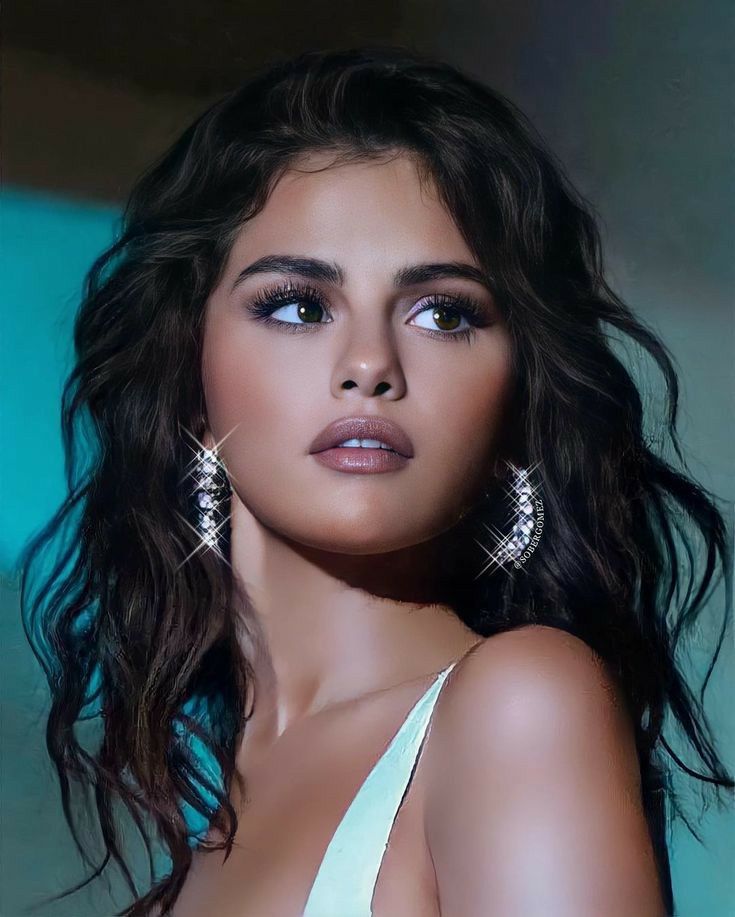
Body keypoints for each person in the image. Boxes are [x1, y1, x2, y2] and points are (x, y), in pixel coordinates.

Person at [20, 45, 733, 916]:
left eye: (444, 313)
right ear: (189, 378)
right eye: (297, 305)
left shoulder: (520, 706)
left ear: (514, 405)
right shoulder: (210, 834)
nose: (369, 364)